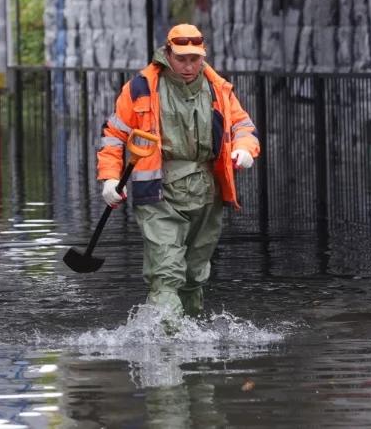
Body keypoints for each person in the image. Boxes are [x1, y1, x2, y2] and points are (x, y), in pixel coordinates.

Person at [95, 24, 260, 319]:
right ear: (167, 54)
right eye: (181, 58)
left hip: (207, 195)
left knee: (195, 277)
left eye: (194, 59)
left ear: (203, 55)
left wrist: (246, 149)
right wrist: (109, 178)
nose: (188, 66)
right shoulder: (141, 89)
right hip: (159, 195)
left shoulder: (218, 89)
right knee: (167, 275)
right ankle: (165, 350)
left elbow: (242, 125)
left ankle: (188, 345)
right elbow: (114, 136)